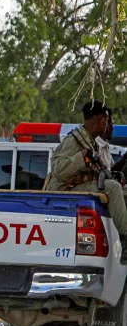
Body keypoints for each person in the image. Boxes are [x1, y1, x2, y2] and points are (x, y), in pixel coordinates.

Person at [45, 100, 127, 264]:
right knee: (111, 187)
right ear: (99, 119)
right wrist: (82, 158)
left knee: (118, 188)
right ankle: (125, 239)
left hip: (78, 188)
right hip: (63, 192)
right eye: (106, 120)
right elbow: (58, 169)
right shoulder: (74, 140)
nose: (107, 125)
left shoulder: (90, 141)